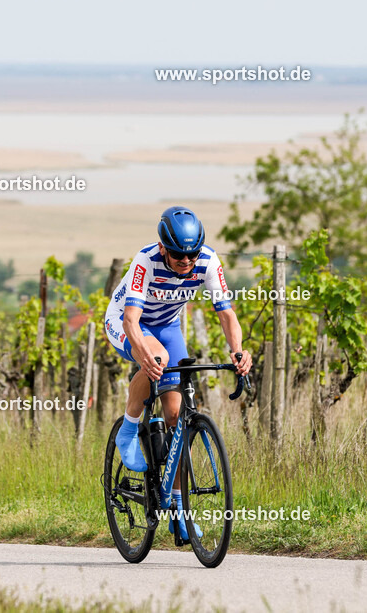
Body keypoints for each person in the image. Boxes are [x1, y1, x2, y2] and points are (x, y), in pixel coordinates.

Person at [104, 206, 251, 541]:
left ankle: (179, 510)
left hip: (168, 324)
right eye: (178, 256)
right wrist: (146, 356)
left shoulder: (208, 262)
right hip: (128, 320)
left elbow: (226, 313)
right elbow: (130, 319)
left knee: (176, 416)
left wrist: (238, 351)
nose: (186, 263)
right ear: (163, 248)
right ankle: (128, 430)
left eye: (191, 256)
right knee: (156, 357)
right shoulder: (146, 260)